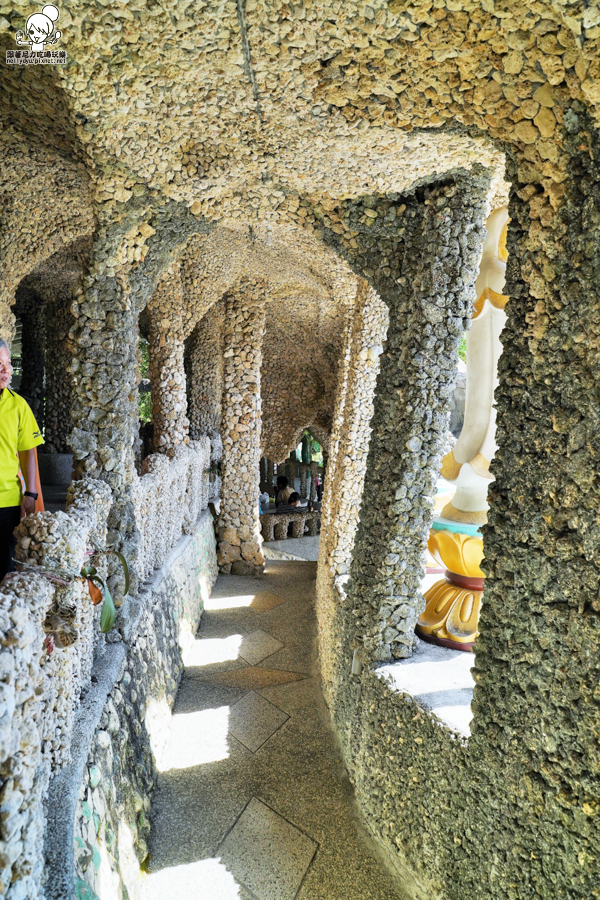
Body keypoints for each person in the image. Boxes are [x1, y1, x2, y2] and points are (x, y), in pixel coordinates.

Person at [0, 339, 44, 580]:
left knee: (5, 567)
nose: (6, 370)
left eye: (8, 363)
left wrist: (32, 493)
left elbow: (28, 452)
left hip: (6, 502)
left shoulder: (19, 406)